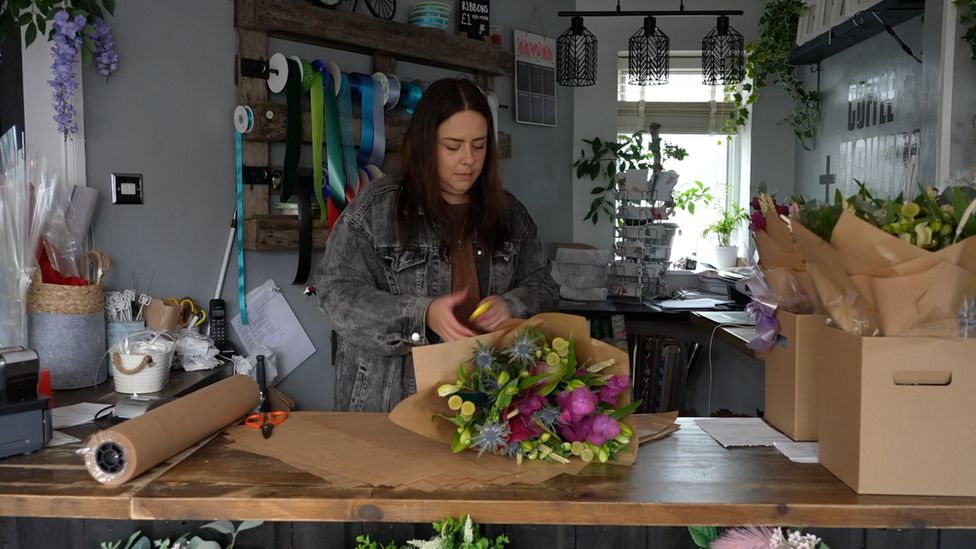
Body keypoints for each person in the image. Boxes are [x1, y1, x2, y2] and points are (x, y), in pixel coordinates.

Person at [315, 77, 558, 412]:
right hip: (389, 410)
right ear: (427, 144)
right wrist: (421, 314)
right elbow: (334, 294)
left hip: (485, 407)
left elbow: (544, 286)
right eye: (453, 146)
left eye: (479, 145)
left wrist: (511, 305)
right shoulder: (377, 209)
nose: (468, 160)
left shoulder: (510, 214)